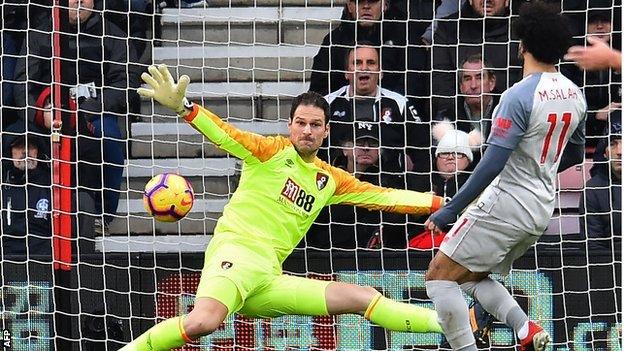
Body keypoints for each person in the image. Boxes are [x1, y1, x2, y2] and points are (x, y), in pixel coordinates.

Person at [122, 64, 491, 350]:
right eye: (301, 123)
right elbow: (223, 132)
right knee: (203, 322)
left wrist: (450, 202)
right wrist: (185, 108)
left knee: (363, 298)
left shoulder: (330, 179)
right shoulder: (268, 152)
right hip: (235, 254)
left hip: (267, 276)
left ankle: (457, 322)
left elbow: (386, 197)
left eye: (316, 125)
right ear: (290, 125)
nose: (307, 131)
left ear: (327, 131)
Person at [424, 3, 587, 351]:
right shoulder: (576, 95)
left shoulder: (517, 96)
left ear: (522, 45)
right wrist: (536, 165)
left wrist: (450, 209)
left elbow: (493, 162)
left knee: (438, 278)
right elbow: (572, 154)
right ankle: (524, 327)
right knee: (469, 276)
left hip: (507, 202)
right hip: (542, 208)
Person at [13, 0, 139, 232]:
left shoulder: (113, 35)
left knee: (109, 140)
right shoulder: (40, 34)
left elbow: (125, 82)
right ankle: (27, 216)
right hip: (48, 114)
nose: (79, 2)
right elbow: (21, 85)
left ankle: (102, 216)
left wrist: (88, 110)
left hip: (94, 113)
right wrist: (40, 113)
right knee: (16, 139)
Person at [323, 44, 429, 186]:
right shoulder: (327, 104)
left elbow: (422, 150)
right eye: (357, 63)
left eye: (371, 63)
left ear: (380, 72)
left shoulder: (399, 104)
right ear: (347, 73)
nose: (364, 68)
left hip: (389, 191)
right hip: (338, 189)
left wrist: (416, 187)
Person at [431, 0, 521, 118]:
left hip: (512, 120)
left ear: (507, 1)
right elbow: (441, 86)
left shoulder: (522, 30)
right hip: (460, 123)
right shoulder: (448, 28)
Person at [309, 0, 407, 96]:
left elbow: (411, 84)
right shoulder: (334, 41)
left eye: (372, 1)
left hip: (390, 109)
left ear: (384, 5)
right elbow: (319, 90)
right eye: (359, 2)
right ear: (349, 6)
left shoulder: (403, 37)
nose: (366, 6)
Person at [409, 125, 476, 249]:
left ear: (468, 160)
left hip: (463, 243)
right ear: (436, 158)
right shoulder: (417, 181)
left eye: (458, 153)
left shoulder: (476, 185)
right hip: (422, 243)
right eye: (444, 153)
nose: (450, 157)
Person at [561, 8, 621, 145]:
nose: (599, 26)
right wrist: (596, 114)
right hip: (579, 136)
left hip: (617, 137)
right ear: (585, 26)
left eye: (605, 21)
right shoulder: (572, 58)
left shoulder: (619, 57)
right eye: (593, 22)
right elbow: (566, 103)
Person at [1, 121, 52, 257]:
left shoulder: (51, 183)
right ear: (9, 151)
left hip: (44, 261)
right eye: (19, 145)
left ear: (38, 151)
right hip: (7, 260)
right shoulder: (2, 185)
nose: (25, 151)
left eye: (30, 146)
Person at [579, 117, 622, 250]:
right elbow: (595, 247)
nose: (619, 151)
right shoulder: (593, 190)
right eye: (613, 144)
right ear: (605, 153)